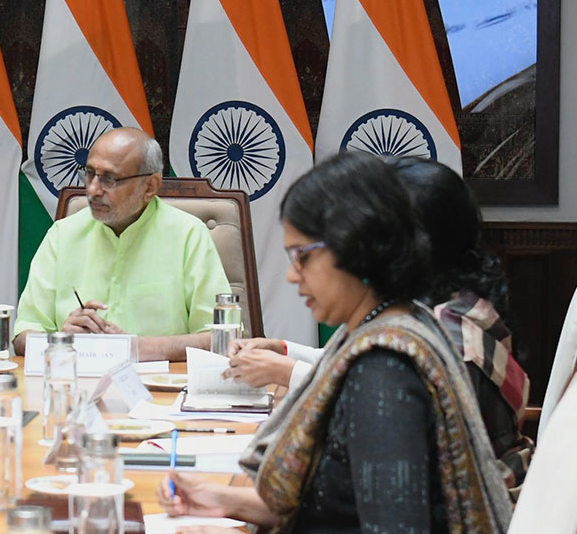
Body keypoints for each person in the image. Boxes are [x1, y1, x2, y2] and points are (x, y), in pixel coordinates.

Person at [164, 152, 513, 534]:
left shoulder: (384, 370)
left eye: (303, 256)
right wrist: (224, 501)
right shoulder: (391, 323)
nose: (291, 275)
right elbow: (346, 503)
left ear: (357, 248)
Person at [227, 158, 532, 485]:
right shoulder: (431, 307)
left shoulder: (444, 335)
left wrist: (285, 371)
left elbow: (396, 461)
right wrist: (285, 350)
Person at [13, 128, 231, 361]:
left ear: (150, 187)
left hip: (158, 381)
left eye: (109, 179)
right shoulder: (63, 234)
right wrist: (62, 340)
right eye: (89, 173)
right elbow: (23, 335)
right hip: (76, 378)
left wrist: (135, 347)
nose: (93, 189)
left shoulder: (188, 234)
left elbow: (222, 337)